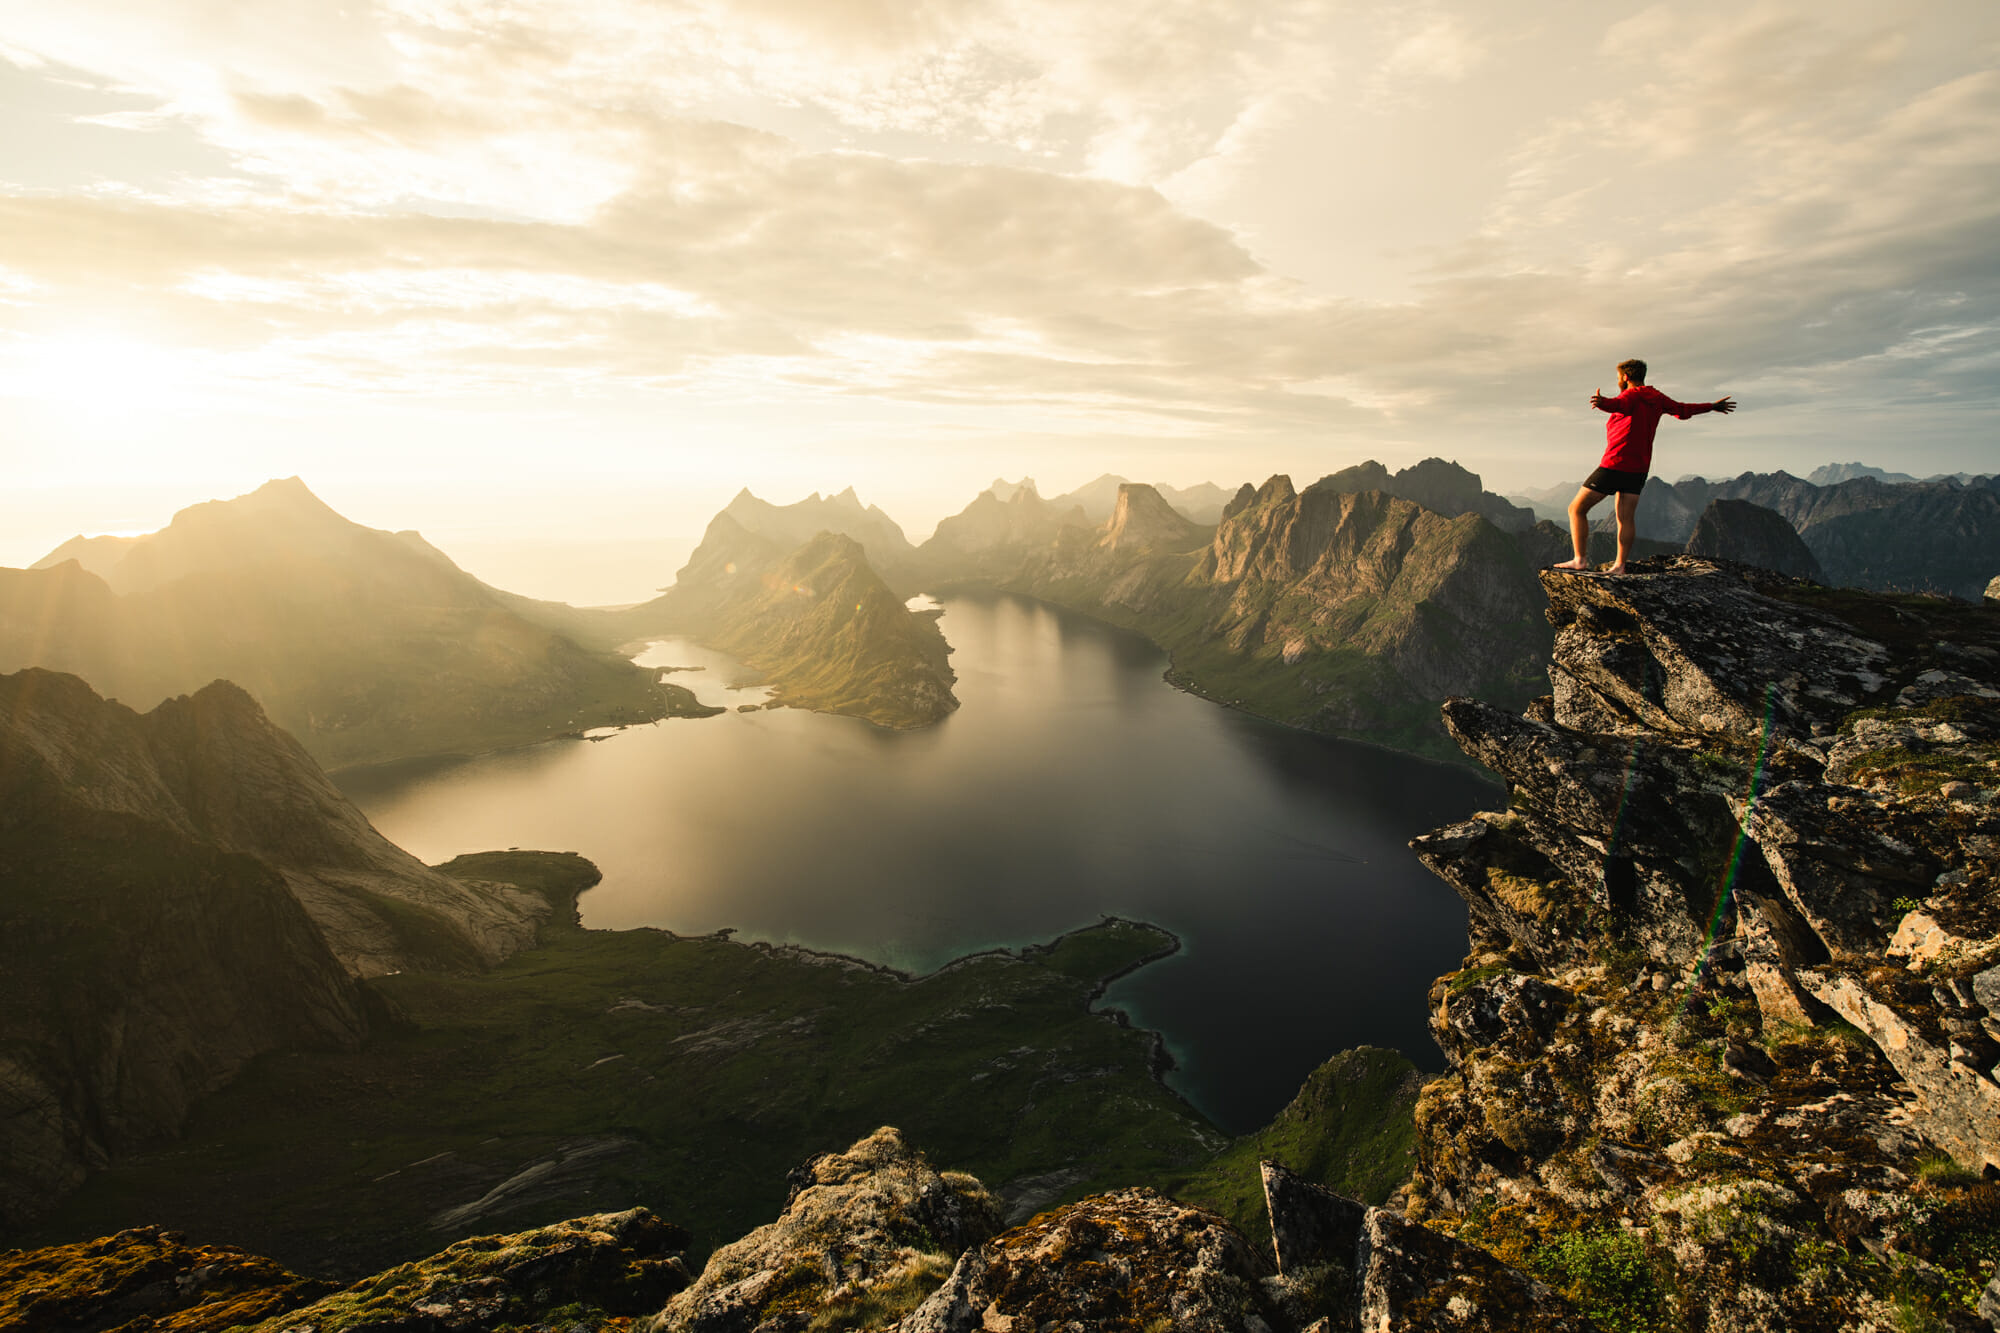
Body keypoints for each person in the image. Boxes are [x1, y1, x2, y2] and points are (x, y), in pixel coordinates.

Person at [1552, 358, 1735, 574]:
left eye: (1619, 377)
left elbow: (1619, 404)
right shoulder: (1657, 398)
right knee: (1625, 517)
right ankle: (1620, 566)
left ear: (1626, 377)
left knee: (1576, 508)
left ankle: (1579, 559)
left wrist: (1603, 403)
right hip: (1639, 468)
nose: (1619, 380)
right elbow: (1683, 410)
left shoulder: (1630, 395)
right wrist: (1712, 406)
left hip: (1615, 463)